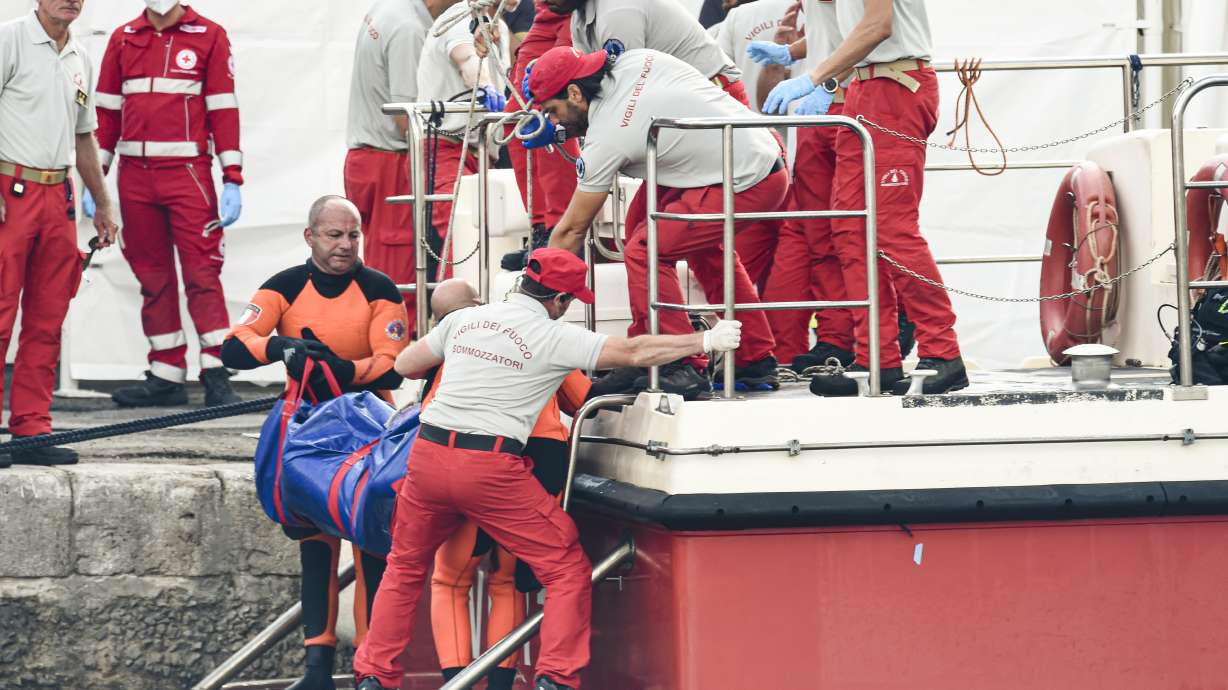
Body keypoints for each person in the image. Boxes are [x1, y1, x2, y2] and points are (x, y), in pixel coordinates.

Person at [352, 247, 744, 690]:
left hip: (428, 454)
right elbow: (633, 352)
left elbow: (405, 364)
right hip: (489, 465)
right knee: (564, 567)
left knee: (405, 566)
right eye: (572, 300)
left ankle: (373, 676)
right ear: (558, 300)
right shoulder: (553, 337)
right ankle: (555, 677)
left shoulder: (463, 321)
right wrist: (704, 341)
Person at [221, 195, 410, 690]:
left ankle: (369, 672)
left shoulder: (380, 289)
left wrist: (345, 370)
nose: (346, 245)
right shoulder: (283, 286)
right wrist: (280, 347)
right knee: (315, 547)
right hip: (307, 429)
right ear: (310, 236)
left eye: (353, 235)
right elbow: (234, 347)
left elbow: (391, 362)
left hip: (368, 432)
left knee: (371, 546)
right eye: (334, 235)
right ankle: (317, 671)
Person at [529, 47, 788, 399]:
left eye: (553, 112)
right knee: (651, 227)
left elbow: (572, 228)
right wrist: (563, 133)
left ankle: (677, 364)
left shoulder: (607, 138)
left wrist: (530, 301)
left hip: (749, 177)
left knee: (646, 249)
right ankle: (748, 356)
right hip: (748, 147)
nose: (555, 123)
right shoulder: (634, 59)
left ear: (575, 93)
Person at [762, 0, 966, 395]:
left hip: (896, 86)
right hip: (865, 86)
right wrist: (815, 72)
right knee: (849, 229)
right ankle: (877, 357)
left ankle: (943, 351)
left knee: (891, 228)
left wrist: (813, 76)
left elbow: (878, 25)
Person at [421, 278, 591, 690]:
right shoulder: (543, 338)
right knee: (507, 581)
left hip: (470, 463)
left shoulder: (452, 351)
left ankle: (456, 683)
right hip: (540, 466)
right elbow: (583, 397)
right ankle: (501, 685)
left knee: (451, 580)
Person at [93, 0, 244, 408]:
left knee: (202, 274)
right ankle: (165, 374)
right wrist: (97, 177)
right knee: (151, 276)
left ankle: (216, 373)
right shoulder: (124, 37)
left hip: (188, 174)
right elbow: (106, 113)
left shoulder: (210, 35)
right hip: (134, 176)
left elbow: (223, 108)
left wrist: (233, 177)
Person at [0, 0, 118, 468]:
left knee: (49, 318)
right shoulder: (10, 39)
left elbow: (84, 134)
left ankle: (32, 428)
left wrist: (103, 203)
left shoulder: (80, 58)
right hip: (11, 188)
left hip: (57, 196)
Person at [746, 0, 858, 372]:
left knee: (841, 229)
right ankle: (791, 350)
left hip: (844, 105)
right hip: (819, 115)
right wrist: (790, 52)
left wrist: (823, 82)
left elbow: (869, 31)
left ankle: (843, 338)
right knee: (807, 230)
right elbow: (833, 32)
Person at [345, 0, 456, 325]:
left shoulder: (390, 9)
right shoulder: (410, 29)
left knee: (385, 269)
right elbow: (407, 119)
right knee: (400, 277)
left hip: (370, 157)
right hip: (390, 160)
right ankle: (396, 360)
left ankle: (390, 355)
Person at [416, 0, 510, 281]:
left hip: (481, 149)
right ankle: (455, 317)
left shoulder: (500, 26)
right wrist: (485, 87)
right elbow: (467, 58)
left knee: (485, 240)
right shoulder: (459, 19)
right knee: (462, 239)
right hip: (448, 147)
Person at [496, 1, 582, 271]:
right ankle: (541, 226)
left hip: (576, 8)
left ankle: (561, 229)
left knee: (548, 106)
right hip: (547, 10)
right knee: (515, 118)